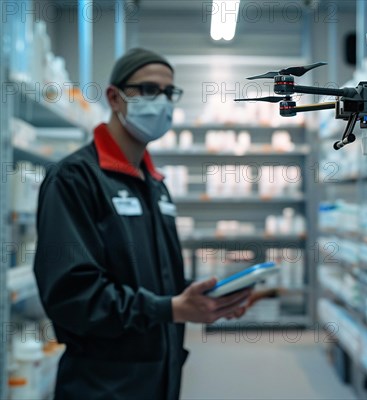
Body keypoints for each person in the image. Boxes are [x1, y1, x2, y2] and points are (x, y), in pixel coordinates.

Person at [33, 48, 252, 400]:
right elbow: (72, 296)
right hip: (102, 385)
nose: (162, 102)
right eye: (149, 90)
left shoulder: (155, 184)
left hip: (160, 378)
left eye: (169, 93)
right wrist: (168, 308)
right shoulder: (75, 179)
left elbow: (154, 278)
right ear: (114, 98)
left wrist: (205, 296)